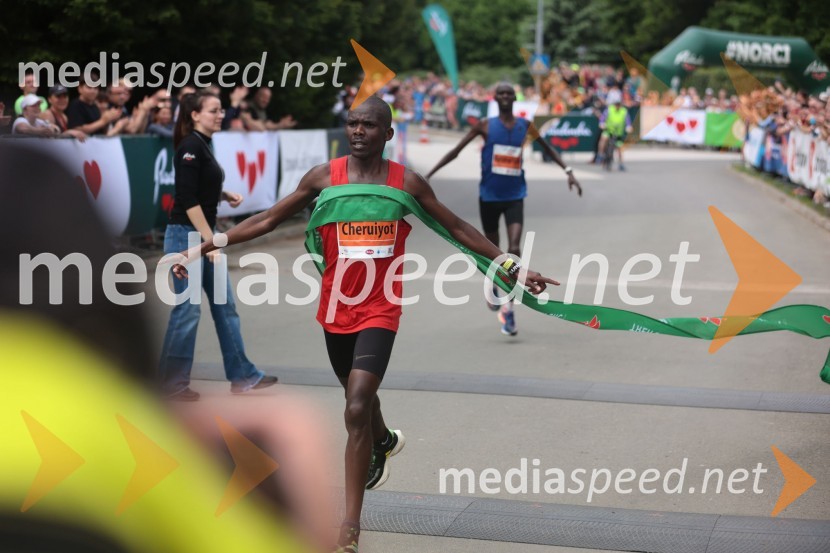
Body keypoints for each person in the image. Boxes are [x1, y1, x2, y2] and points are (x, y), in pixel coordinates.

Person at [167, 95, 559, 552]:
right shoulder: (323, 177)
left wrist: (511, 264)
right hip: (336, 308)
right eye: (352, 123)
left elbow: (459, 228)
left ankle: (348, 527)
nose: (357, 131)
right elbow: (270, 218)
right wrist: (203, 246)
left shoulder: (406, 183)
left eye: (368, 125)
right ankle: (385, 439)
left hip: (380, 307)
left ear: (387, 134)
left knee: (355, 405)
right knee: (360, 399)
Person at [426, 82, 581, 336]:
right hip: (488, 195)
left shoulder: (524, 126)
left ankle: (508, 308)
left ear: (514, 98)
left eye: (510, 93)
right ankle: (493, 281)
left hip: (515, 195)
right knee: (493, 250)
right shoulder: (485, 125)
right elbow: (456, 151)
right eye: (501, 94)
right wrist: (429, 175)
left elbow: (548, 149)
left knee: (515, 247)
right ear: (495, 98)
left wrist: (568, 171)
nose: (506, 97)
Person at [158, 91, 277, 401]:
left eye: (221, 109)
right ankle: (170, 384)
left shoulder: (203, 145)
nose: (220, 114)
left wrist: (223, 195)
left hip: (201, 236)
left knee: (225, 306)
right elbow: (186, 197)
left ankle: (244, 376)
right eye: (213, 110)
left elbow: (199, 188)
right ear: (195, 115)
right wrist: (210, 243)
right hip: (186, 237)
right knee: (187, 311)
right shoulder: (189, 147)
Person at [597, 88, 633, 171]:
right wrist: (602, 123)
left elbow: (627, 120)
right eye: (616, 104)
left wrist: (629, 127)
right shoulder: (609, 109)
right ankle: (600, 155)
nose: (617, 105)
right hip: (609, 130)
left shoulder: (624, 111)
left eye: (619, 104)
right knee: (603, 139)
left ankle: (621, 164)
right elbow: (603, 118)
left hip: (618, 132)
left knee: (619, 148)